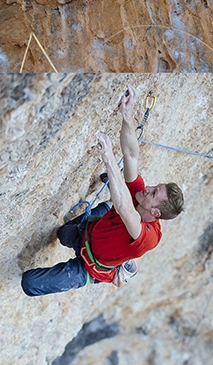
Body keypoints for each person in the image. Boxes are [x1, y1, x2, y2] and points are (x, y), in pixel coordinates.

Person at [21, 86, 184, 296]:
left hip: (92, 268)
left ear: (155, 213)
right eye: (155, 187)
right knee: (63, 235)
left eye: (154, 194)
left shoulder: (149, 237)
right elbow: (131, 156)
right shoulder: (140, 195)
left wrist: (108, 159)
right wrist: (127, 115)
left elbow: (125, 210)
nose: (149, 189)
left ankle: (120, 259)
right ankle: (107, 204)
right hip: (89, 233)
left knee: (30, 283)